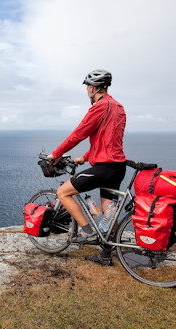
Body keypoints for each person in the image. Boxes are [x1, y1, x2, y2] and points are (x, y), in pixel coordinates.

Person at [46, 69, 126, 266]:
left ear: (92, 88)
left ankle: (87, 232)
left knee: (63, 192)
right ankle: (106, 255)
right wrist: (86, 157)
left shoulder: (99, 107)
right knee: (109, 212)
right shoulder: (118, 107)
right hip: (117, 167)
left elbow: (78, 134)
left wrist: (56, 154)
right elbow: (108, 140)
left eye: (87, 88)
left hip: (104, 168)